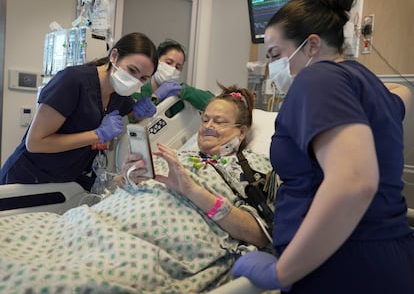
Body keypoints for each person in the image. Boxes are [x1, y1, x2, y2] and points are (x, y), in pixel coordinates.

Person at [0, 86, 273, 293]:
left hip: (141, 248)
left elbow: (259, 234)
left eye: (220, 122)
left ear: (242, 132)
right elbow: (117, 190)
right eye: (205, 120)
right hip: (89, 226)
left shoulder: (251, 168)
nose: (208, 127)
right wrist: (128, 176)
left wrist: (191, 190)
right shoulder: (179, 155)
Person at [232, 0, 414, 294]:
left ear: (312, 45)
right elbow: (403, 94)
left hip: (341, 265)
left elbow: (355, 182)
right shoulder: (364, 84)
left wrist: (282, 272)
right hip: (386, 257)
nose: (271, 67)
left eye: (276, 54)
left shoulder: (316, 79)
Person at [0, 32, 158, 191]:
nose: (135, 81)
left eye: (143, 78)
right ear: (114, 56)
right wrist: (98, 135)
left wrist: (143, 110)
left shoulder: (119, 93)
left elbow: (131, 113)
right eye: (132, 70)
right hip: (28, 178)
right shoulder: (72, 81)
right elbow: (35, 143)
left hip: (67, 182)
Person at [130, 39, 214, 121]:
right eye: (169, 62)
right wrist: (156, 97)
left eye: (178, 67)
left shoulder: (180, 93)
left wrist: (183, 90)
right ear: (156, 61)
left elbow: (213, 102)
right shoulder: (139, 93)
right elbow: (135, 118)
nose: (173, 69)